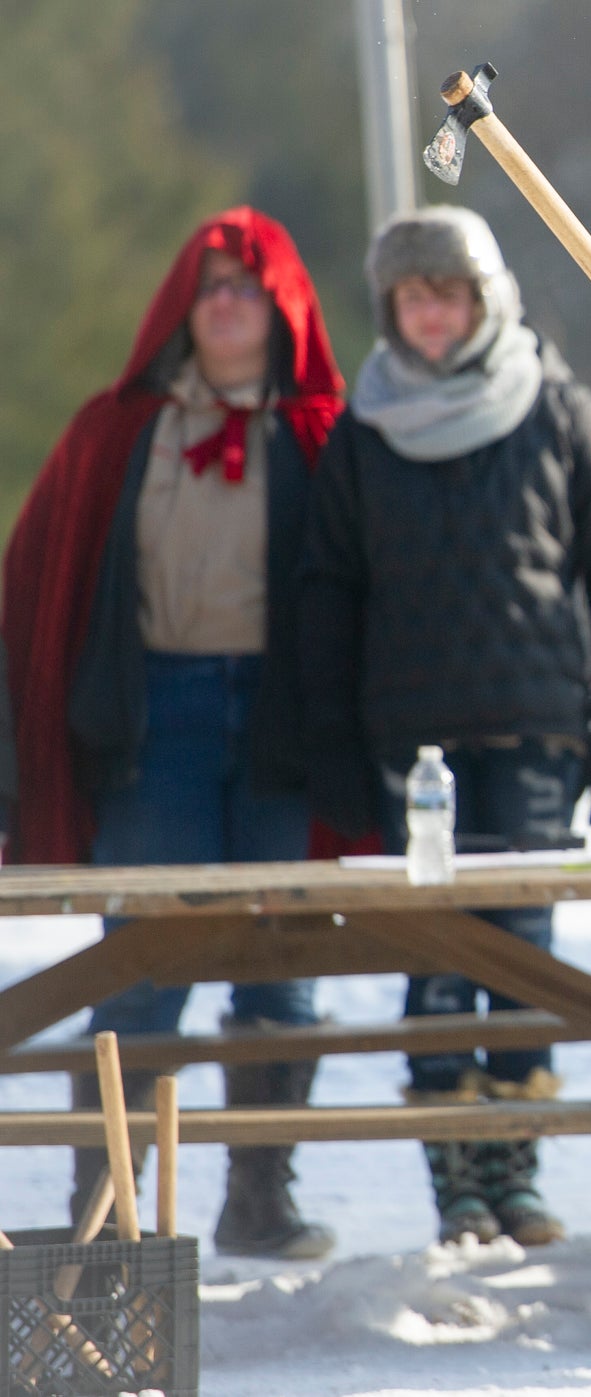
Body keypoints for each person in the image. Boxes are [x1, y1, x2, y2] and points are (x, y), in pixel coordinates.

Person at [300, 205, 591, 1248]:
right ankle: (455, 1175)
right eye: (411, 296)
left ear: (484, 296)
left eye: (446, 292)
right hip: (413, 743)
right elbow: (329, 589)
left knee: (525, 952)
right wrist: (331, 746)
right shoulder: (365, 432)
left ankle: (516, 1168)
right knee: (437, 958)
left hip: (539, 729)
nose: (430, 314)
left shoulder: (558, 406)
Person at [1, 208, 346, 1260]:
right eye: (209, 288)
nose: (227, 303)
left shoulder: (325, 436)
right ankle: (106, 1214)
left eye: (247, 284)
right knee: (141, 967)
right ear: (181, 310)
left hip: (283, 723)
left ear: (284, 307)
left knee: (280, 966)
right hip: (160, 720)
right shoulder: (117, 432)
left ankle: (261, 1192)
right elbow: (33, 591)